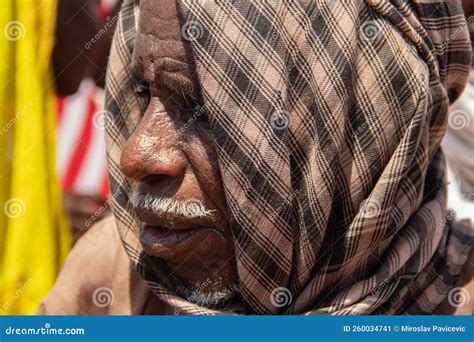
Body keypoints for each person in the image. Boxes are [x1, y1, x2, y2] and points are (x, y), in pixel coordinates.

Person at [38, 0, 473, 315]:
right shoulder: (109, 277)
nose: (136, 155)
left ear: (358, 125)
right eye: (144, 93)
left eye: (203, 108)